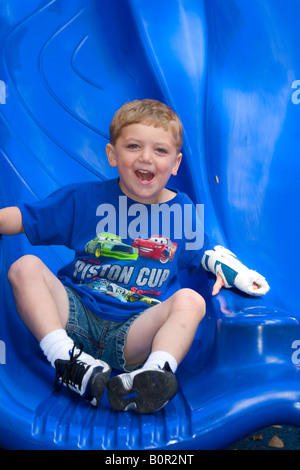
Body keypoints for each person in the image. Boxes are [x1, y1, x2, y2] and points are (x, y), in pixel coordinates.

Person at [0, 99, 269, 413]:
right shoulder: (84, 199)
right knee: (25, 267)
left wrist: (229, 270)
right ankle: (68, 362)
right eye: (133, 146)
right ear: (113, 154)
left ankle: (151, 377)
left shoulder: (181, 209)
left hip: (133, 333)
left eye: (160, 150)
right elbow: (25, 217)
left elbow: (202, 254)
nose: (146, 157)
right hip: (74, 316)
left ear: (176, 163)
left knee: (191, 302)